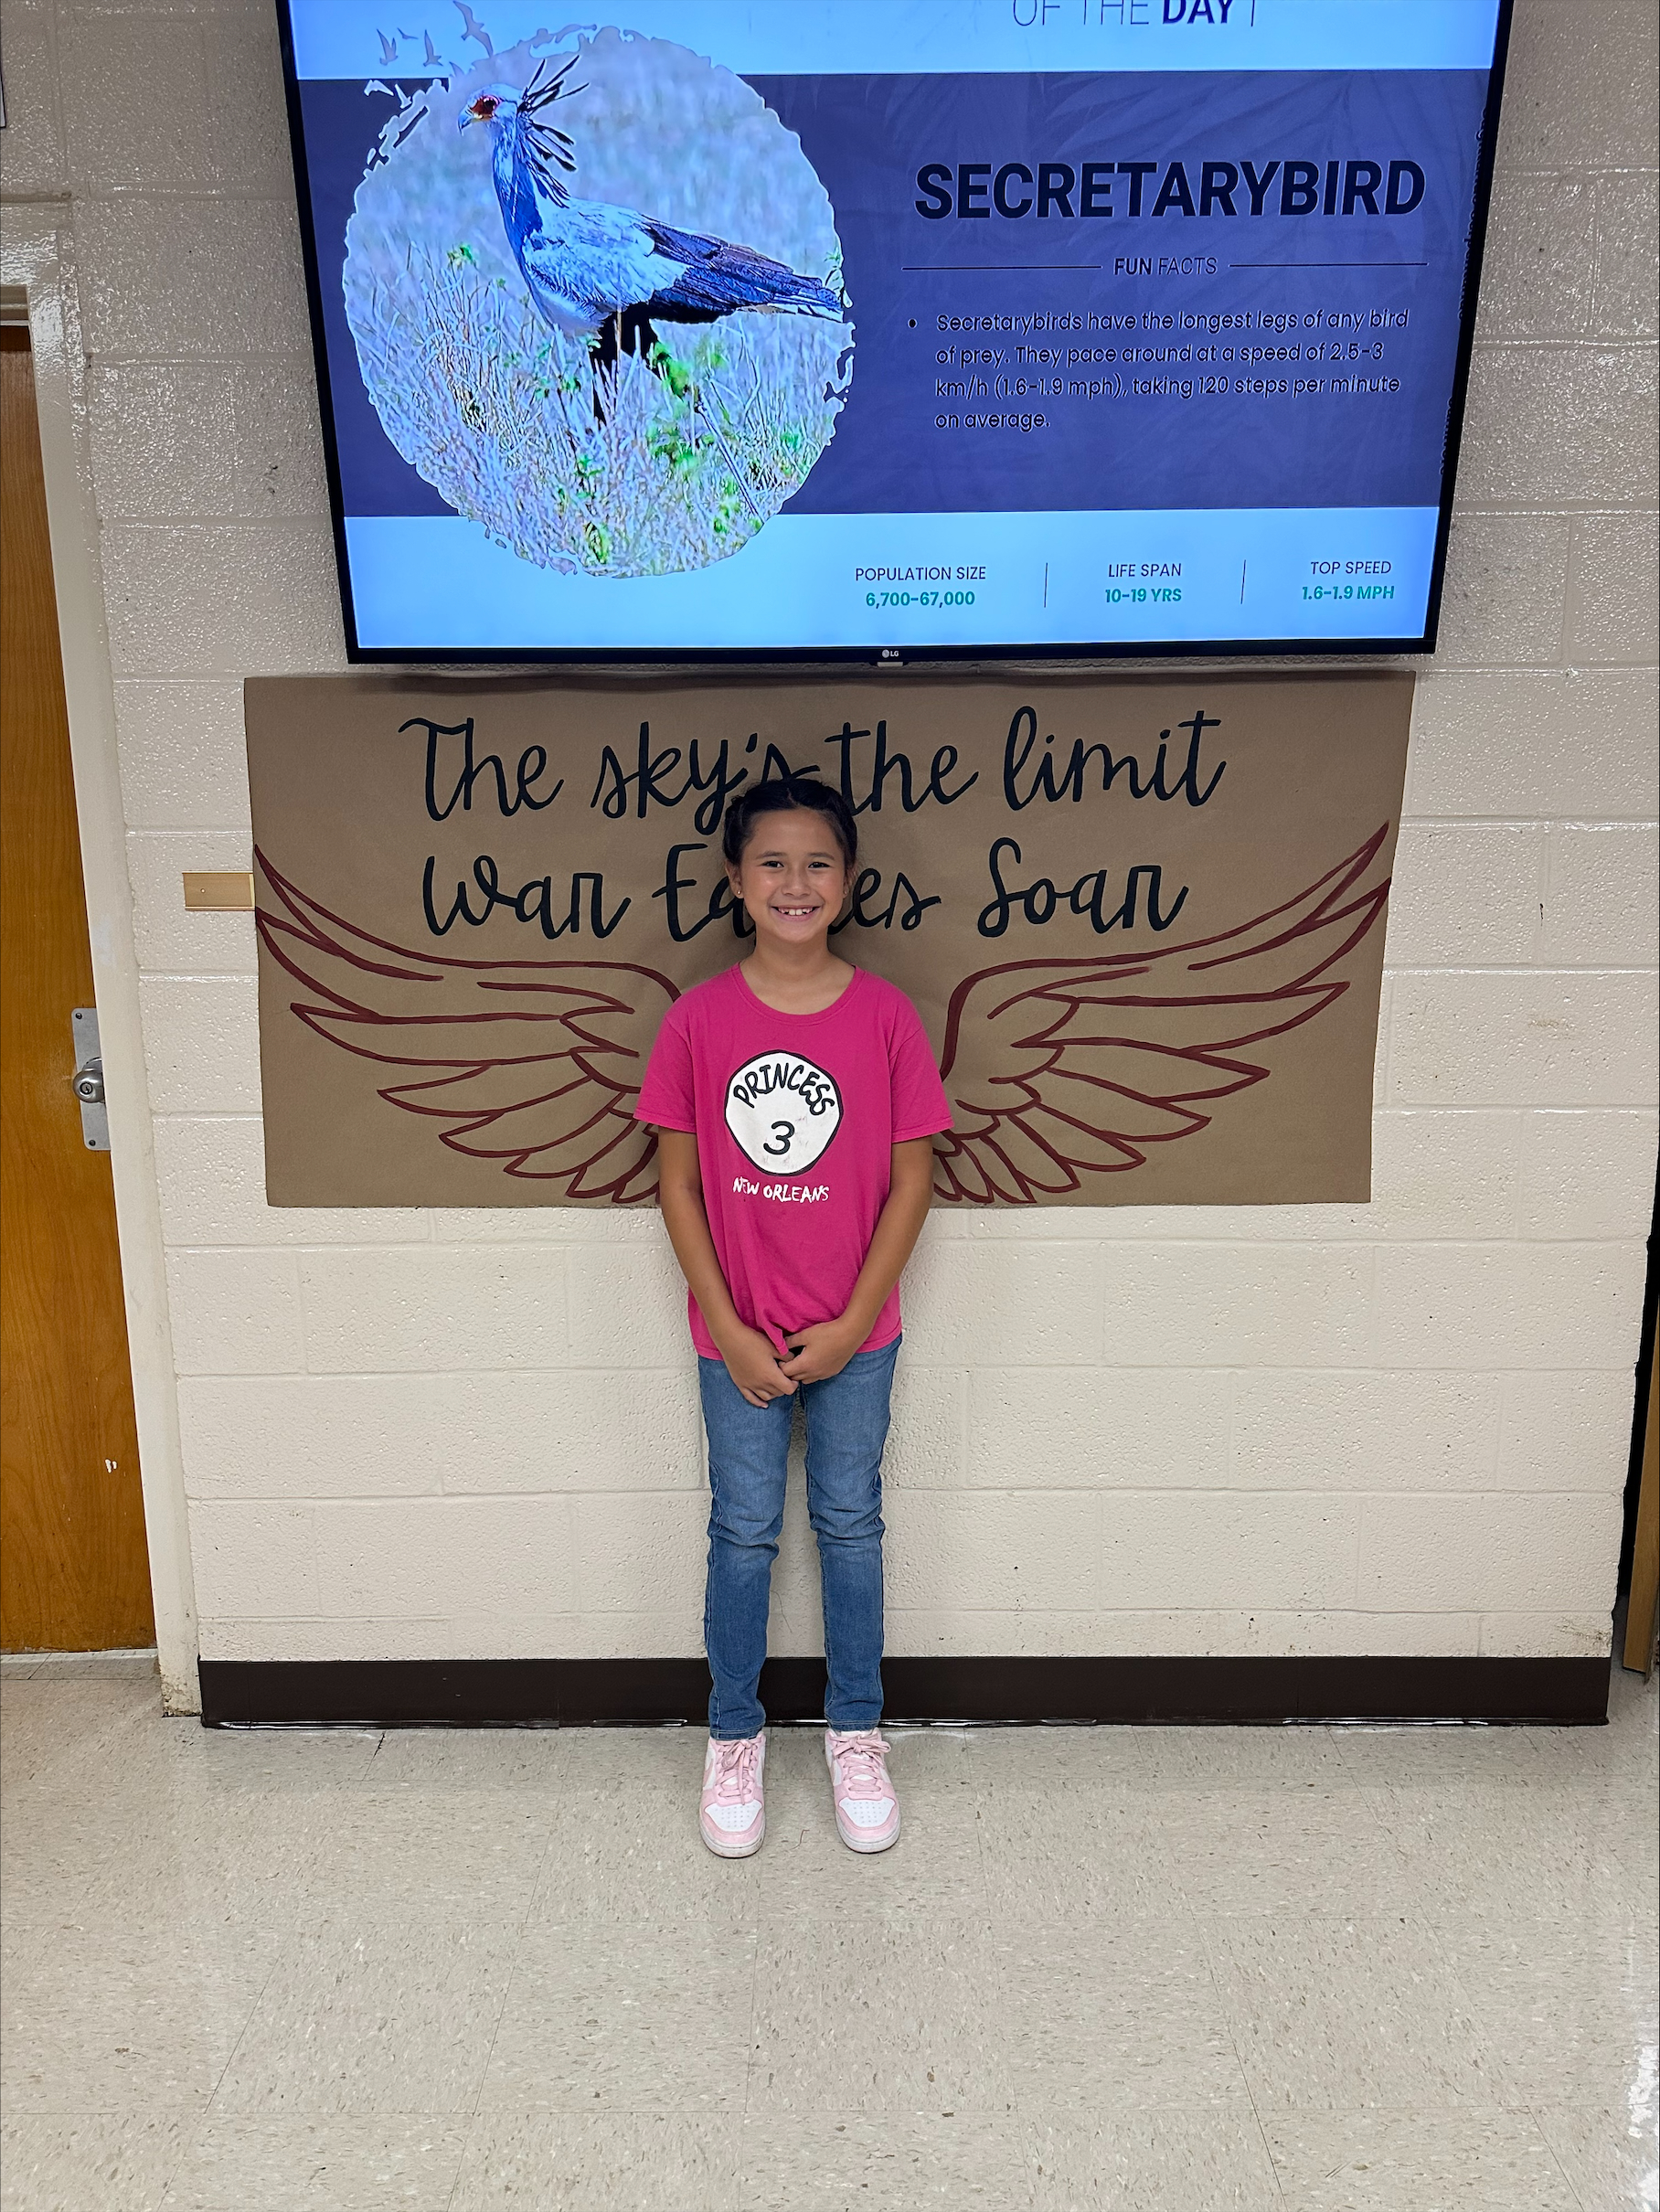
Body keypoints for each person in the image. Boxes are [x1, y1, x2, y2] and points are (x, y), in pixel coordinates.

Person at [633, 775, 952, 1858]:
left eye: (817, 861)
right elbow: (675, 1186)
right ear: (735, 880)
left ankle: (856, 1727)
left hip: (857, 1335)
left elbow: (911, 1184)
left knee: (850, 1526)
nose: (795, 882)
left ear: (849, 880)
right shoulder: (697, 1019)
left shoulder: (887, 1018)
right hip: (736, 1335)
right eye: (771, 861)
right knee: (743, 1532)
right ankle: (734, 1731)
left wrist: (857, 1315)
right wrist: (724, 1324)